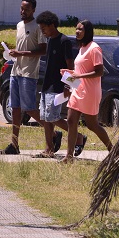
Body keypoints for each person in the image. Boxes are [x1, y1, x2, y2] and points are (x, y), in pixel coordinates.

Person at [61, 20, 114, 163]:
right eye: (76, 29)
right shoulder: (82, 48)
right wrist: (70, 73)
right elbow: (81, 71)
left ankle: (112, 150)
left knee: (92, 125)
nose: (77, 31)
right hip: (77, 90)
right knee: (71, 120)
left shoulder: (94, 48)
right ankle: (69, 156)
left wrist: (78, 75)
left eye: (81, 29)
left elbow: (99, 71)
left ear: (87, 32)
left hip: (90, 92)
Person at [33, 10, 84, 158]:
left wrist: (69, 86)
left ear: (52, 25)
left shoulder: (64, 41)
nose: (42, 31)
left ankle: (79, 137)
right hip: (47, 84)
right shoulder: (50, 41)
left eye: (44, 28)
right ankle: (49, 149)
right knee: (45, 117)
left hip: (58, 85)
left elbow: (70, 65)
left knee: (53, 117)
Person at [0, 0, 47, 155]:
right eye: (21, 8)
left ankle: (53, 132)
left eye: (26, 9)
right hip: (16, 71)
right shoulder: (19, 25)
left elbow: (42, 50)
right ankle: (14, 144)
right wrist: (12, 53)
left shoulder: (38, 27)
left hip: (29, 73)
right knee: (15, 109)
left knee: (30, 109)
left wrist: (20, 53)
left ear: (33, 10)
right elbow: (22, 47)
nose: (23, 12)